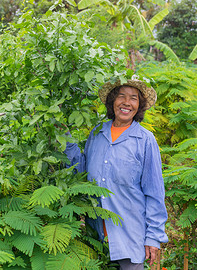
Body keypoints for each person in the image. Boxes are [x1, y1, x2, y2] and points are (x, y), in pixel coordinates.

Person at [65, 76, 168, 269]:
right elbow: (81, 173)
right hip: (96, 236)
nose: (126, 103)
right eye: (121, 96)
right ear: (113, 101)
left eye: (133, 98)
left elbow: (155, 193)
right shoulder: (97, 134)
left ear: (140, 106)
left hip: (130, 238)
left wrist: (153, 237)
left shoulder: (145, 140)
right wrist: (63, 135)